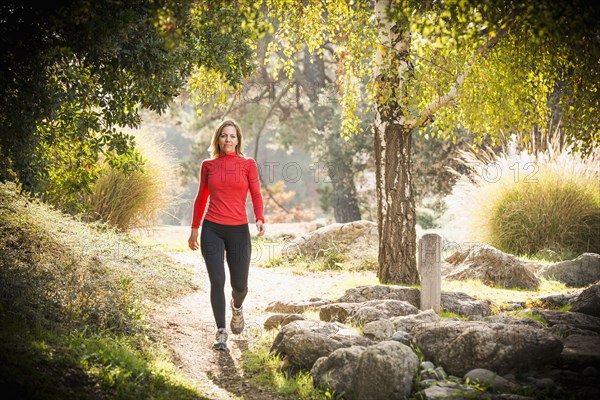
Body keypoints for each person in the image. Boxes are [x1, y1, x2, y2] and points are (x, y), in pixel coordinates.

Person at [188, 119, 265, 351]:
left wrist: (259, 218)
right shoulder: (208, 165)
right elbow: (201, 197)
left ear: (238, 140)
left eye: (232, 136)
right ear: (218, 139)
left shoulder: (248, 164)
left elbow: (257, 194)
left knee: (240, 285)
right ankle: (221, 331)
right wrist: (194, 229)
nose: (228, 140)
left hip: (239, 230)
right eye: (224, 136)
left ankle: (237, 307)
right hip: (213, 228)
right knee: (217, 280)